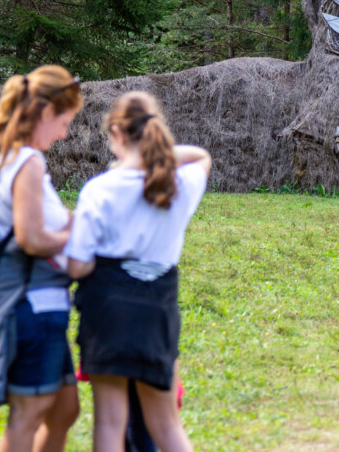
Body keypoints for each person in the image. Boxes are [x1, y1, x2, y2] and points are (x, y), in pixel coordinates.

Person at [65, 91, 211, 452]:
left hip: (107, 312)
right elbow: (202, 157)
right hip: (157, 310)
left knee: (110, 424)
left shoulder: (99, 190)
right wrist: (154, 158)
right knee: (166, 425)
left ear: (116, 133)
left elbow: (77, 266)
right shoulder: (180, 184)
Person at [0, 65, 83, 452]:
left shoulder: (16, 159)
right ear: (47, 112)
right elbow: (31, 236)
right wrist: (76, 234)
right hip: (30, 305)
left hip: (42, 305)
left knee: (64, 410)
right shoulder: (27, 162)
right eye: (65, 122)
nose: (65, 133)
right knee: (28, 415)